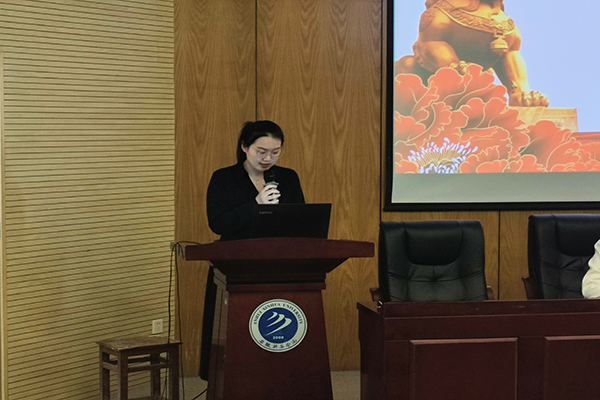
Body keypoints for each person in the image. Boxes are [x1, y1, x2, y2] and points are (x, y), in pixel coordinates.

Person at [206, 120, 305, 241]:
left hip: (281, 248)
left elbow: (300, 219)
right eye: (261, 152)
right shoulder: (223, 178)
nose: (268, 158)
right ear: (244, 147)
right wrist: (256, 204)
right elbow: (218, 224)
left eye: (275, 152)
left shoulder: (288, 177)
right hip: (237, 249)